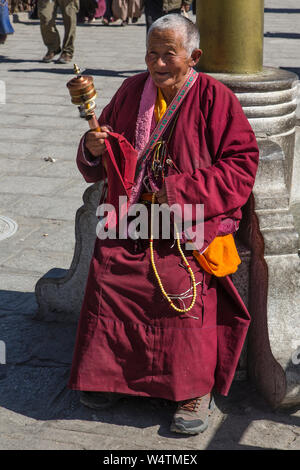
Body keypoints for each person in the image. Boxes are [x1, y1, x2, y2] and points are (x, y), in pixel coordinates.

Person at [68, 14, 259, 435]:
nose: (157, 63)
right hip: (135, 215)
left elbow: (242, 167)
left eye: (168, 54)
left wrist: (179, 191)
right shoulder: (133, 89)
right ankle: (108, 377)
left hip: (188, 221)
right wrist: (94, 147)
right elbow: (107, 156)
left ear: (194, 56)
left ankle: (192, 389)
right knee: (110, 272)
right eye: (151, 54)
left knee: (180, 286)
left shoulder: (215, 98)